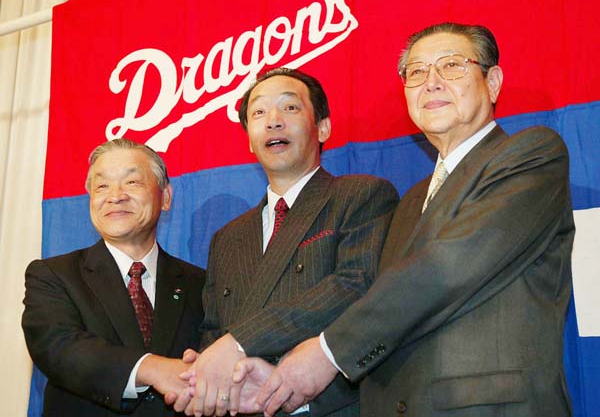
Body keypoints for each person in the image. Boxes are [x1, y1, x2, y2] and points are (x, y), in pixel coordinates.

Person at [244, 22, 575, 417]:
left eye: (451, 65)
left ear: (492, 83)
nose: (431, 82)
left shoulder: (531, 156)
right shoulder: (411, 201)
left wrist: (326, 353)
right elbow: (394, 321)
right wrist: (283, 390)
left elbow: (446, 269)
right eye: (416, 72)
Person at [167, 67, 399, 416]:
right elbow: (214, 331)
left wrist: (239, 342)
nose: (273, 121)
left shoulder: (360, 196)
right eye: (259, 113)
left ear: (323, 127)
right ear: (249, 140)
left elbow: (354, 285)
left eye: (289, 107)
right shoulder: (227, 238)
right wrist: (203, 374)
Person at [22, 138, 205, 416]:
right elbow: (59, 348)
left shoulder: (200, 283)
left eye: (132, 182)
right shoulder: (53, 276)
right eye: (102, 186)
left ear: (165, 197)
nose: (116, 196)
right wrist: (154, 369)